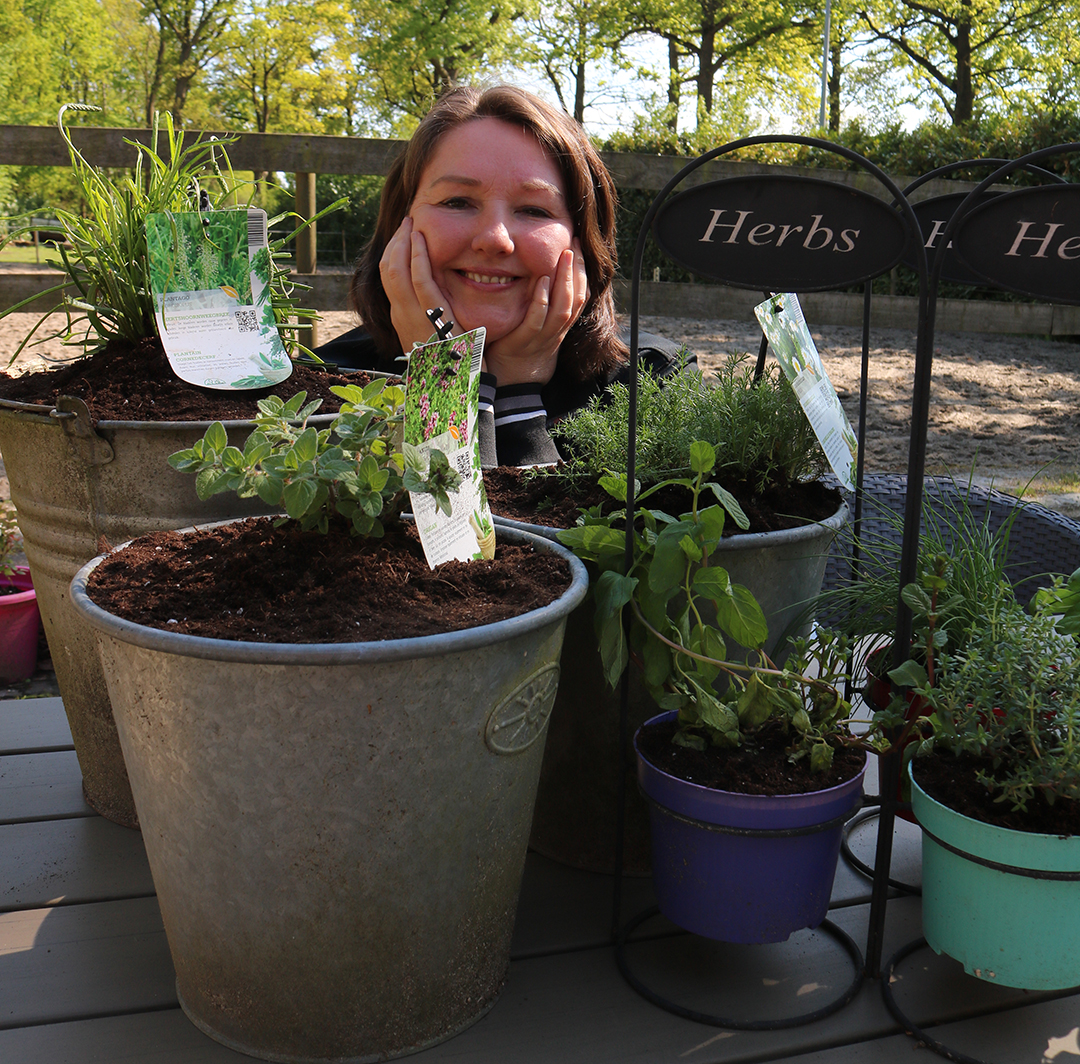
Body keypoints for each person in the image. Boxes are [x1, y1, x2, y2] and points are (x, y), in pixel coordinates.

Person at [315, 84, 694, 467]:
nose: (495, 239)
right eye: (457, 202)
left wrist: (517, 394)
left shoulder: (653, 381)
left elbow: (528, 529)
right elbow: (441, 526)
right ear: (400, 226)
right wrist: (444, 378)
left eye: (533, 209)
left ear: (584, 239)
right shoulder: (328, 384)